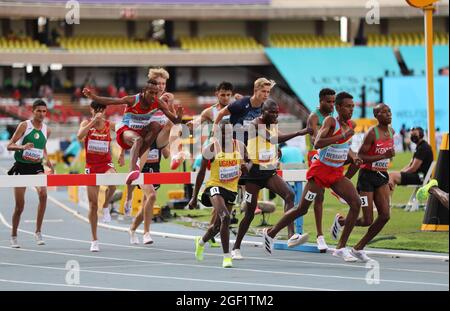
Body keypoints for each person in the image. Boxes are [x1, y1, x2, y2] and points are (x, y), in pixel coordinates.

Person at [262, 92, 363, 262]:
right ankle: (270, 233)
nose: (351, 110)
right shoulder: (332, 122)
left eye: (353, 106)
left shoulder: (351, 125)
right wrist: (342, 136)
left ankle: (341, 248)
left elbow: (345, 146)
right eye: (347, 106)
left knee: (356, 203)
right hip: (320, 172)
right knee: (302, 208)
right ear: (338, 108)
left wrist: (354, 156)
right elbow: (318, 143)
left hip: (336, 173)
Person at [232, 99, 312, 259]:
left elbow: (275, 140)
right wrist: (299, 132)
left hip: (268, 170)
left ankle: (290, 236)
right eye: (272, 112)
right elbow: (271, 139)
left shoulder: (273, 123)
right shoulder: (255, 124)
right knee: (249, 213)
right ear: (263, 112)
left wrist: (276, 152)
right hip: (253, 173)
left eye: (277, 112)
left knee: (289, 195)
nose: (275, 115)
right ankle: (236, 247)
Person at [82, 79, 183, 185]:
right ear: (144, 91)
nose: (153, 96)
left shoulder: (158, 103)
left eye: (156, 93)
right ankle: (132, 170)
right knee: (138, 139)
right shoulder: (133, 100)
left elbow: (175, 121)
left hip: (142, 131)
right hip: (126, 131)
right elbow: (111, 101)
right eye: (151, 93)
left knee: (155, 126)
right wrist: (93, 97)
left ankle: (139, 161)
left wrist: (179, 117)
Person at [334, 103, 395, 262]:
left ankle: (358, 248)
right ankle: (341, 221)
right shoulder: (371, 133)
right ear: (376, 115)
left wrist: (387, 160)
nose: (388, 114)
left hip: (382, 176)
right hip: (366, 177)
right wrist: (383, 156)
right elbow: (361, 157)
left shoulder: (392, 131)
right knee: (367, 220)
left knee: (385, 216)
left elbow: (386, 155)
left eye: (389, 111)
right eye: (383, 112)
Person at [189, 120, 248, 268]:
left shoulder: (240, 146)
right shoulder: (211, 149)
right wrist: (194, 197)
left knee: (216, 226)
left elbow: (249, 163)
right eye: (222, 133)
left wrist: (245, 167)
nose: (226, 136)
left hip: (231, 189)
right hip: (214, 187)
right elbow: (201, 174)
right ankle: (227, 257)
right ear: (216, 134)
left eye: (228, 133)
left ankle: (201, 242)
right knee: (225, 217)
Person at [7, 100, 54, 248]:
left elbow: (43, 148)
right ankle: (14, 235)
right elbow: (10, 145)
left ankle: (38, 231)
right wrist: (22, 147)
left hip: (36, 167)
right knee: (19, 206)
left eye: (44, 111)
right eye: (39, 111)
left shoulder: (47, 129)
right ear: (33, 111)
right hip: (21, 168)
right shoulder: (24, 126)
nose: (41, 114)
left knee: (44, 194)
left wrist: (48, 160)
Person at [77, 102, 118, 252]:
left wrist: (121, 155)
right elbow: (79, 136)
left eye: (101, 110)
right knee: (93, 205)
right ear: (92, 110)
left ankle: (106, 205)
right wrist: (94, 121)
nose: (99, 112)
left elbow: (123, 134)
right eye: (96, 110)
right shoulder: (87, 123)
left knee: (114, 184)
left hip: (106, 164)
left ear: (105, 111)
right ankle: (94, 240)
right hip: (91, 167)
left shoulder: (109, 124)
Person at [304, 88, 336, 252]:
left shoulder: (333, 117)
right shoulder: (314, 116)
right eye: (329, 102)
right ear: (320, 101)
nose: (332, 105)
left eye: (333, 102)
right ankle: (320, 235)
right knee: (319, 195)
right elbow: (315, 139)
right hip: (315, 155)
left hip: (330, 154)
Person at [389, 127, 433, 191]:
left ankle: (386, 200)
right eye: (411, 134)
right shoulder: (420, 146)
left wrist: (400, 173)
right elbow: (410, 165)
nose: (412, 136)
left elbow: (413, 168)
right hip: (419, 176)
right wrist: (400, 172)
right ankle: (387, 200)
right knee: (391, 175)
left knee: (392, 176)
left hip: (421, 177)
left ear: (421, 135)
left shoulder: (423, 148)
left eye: (415, 134)